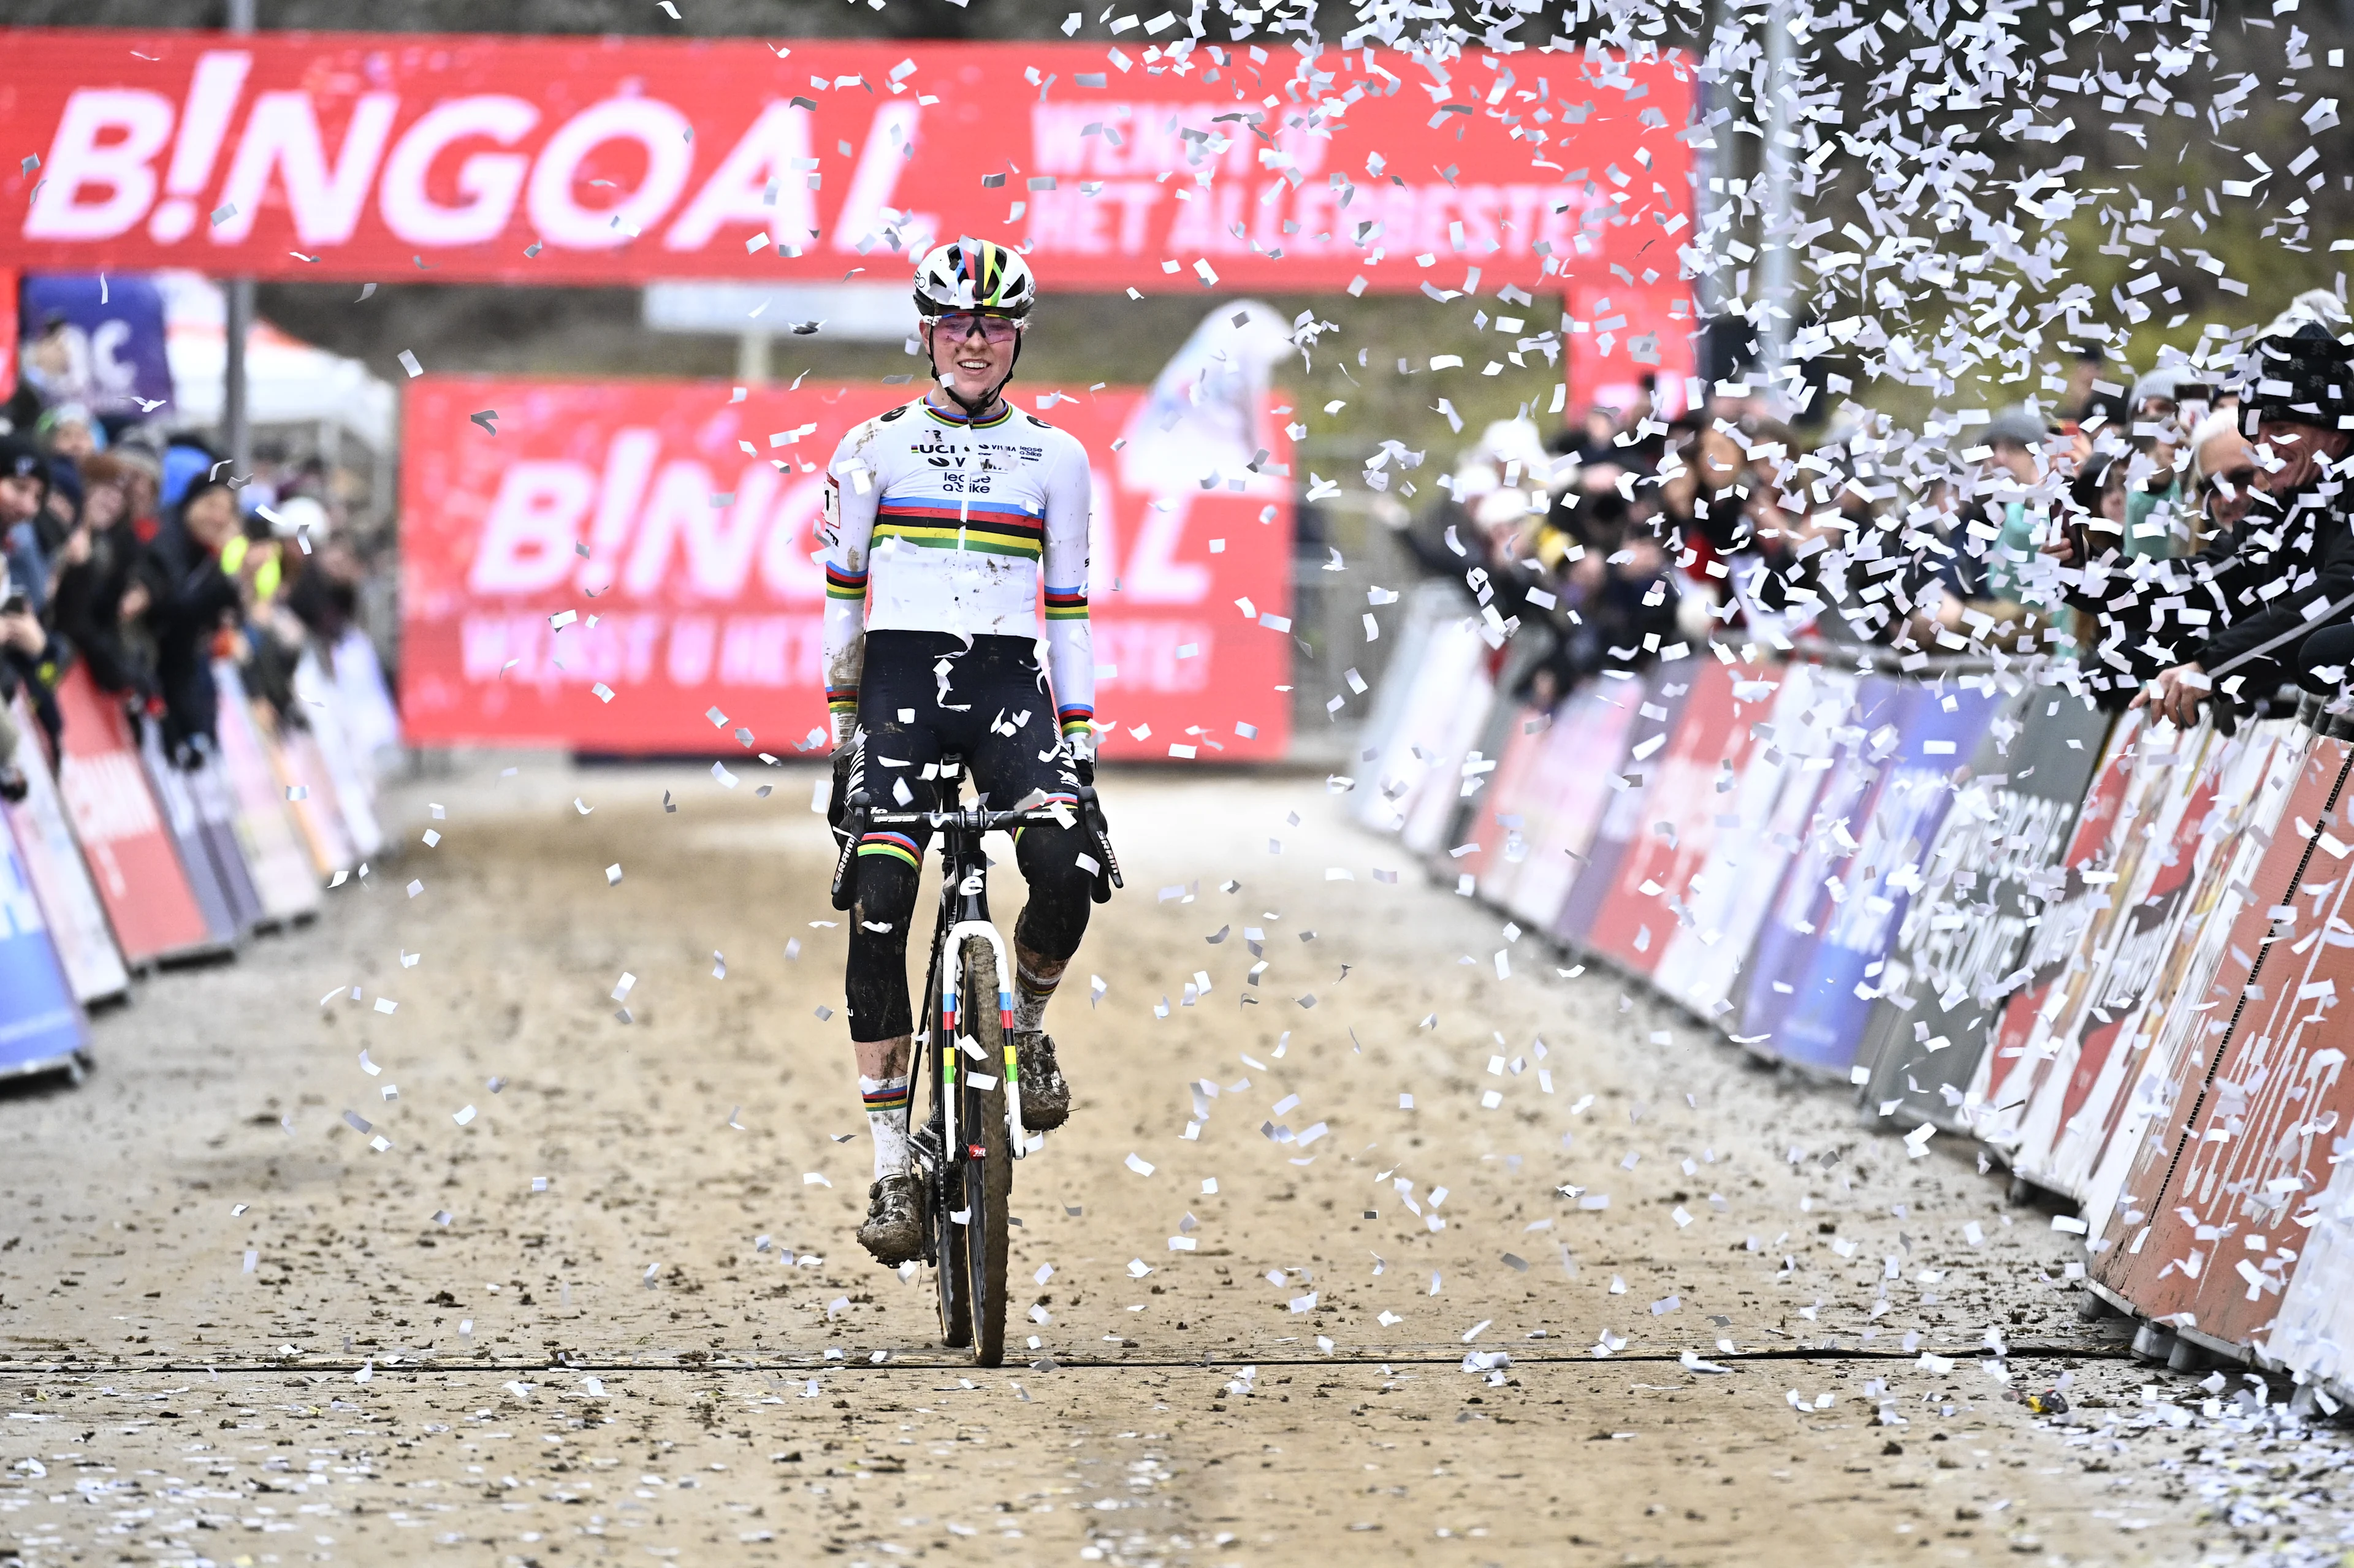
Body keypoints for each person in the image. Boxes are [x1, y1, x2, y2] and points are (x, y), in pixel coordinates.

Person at [821, 240, 1102, 1266]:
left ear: (1018, 336)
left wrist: (1083, 748)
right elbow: (843, 600)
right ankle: (894, 1163)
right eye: (955, 322)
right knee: (880, 909)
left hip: (1008, 687)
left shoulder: (1057, 457)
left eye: (992, 323)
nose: (974, 339)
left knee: (1066, 866)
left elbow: (1067, 612)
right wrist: (842, 738)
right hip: (898, 695)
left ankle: (1023, 1028)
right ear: (926, 331)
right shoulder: (872, 447)